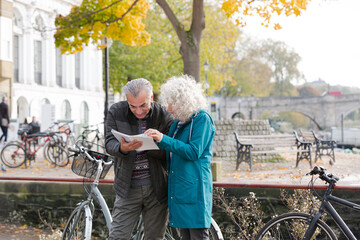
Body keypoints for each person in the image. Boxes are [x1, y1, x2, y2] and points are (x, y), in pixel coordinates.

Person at [145, 75, 216, 240]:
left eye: (172, 103)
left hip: (195, 188)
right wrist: (146, 144)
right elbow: (171, 149)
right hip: (181, 187)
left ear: (183, 102)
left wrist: (163, 139)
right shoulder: (179, 122)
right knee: (185, 236)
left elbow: (193, 151)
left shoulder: (202, 119)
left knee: (198, 235)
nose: (168, 108)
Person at [105, 78, 173, 240]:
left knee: (155, 238)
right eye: (132, 106)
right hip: (127, 187)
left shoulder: (164, 115)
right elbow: (109, 143)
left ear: (151, 98)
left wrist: (152, 145)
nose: (138, 111)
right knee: (117, 237)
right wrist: (123, 148)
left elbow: (171, 151)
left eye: (143, 105)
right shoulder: (116, 111)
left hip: (156, 188)